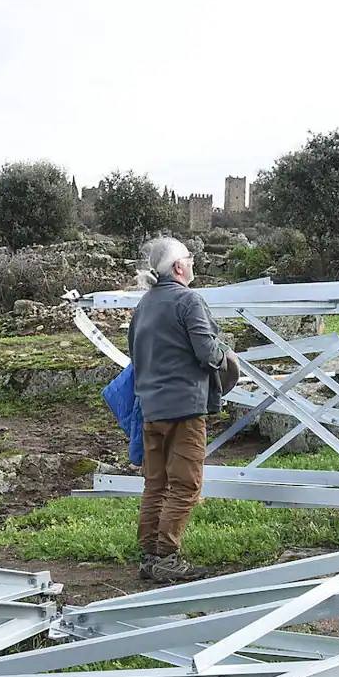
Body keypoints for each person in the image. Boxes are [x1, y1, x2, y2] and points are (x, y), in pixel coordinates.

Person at [127, 237, 234, 583]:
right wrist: (227, 355)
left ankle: (148, 556)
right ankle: (166, 557)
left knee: (155, 484)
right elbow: (207, 351)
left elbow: (135, 354)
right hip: (185, 408)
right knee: (185, 485)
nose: (192, 264)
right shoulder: (189, 300)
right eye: (189, 258)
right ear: (178, 267)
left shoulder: (143, 305)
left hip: (151, 409)